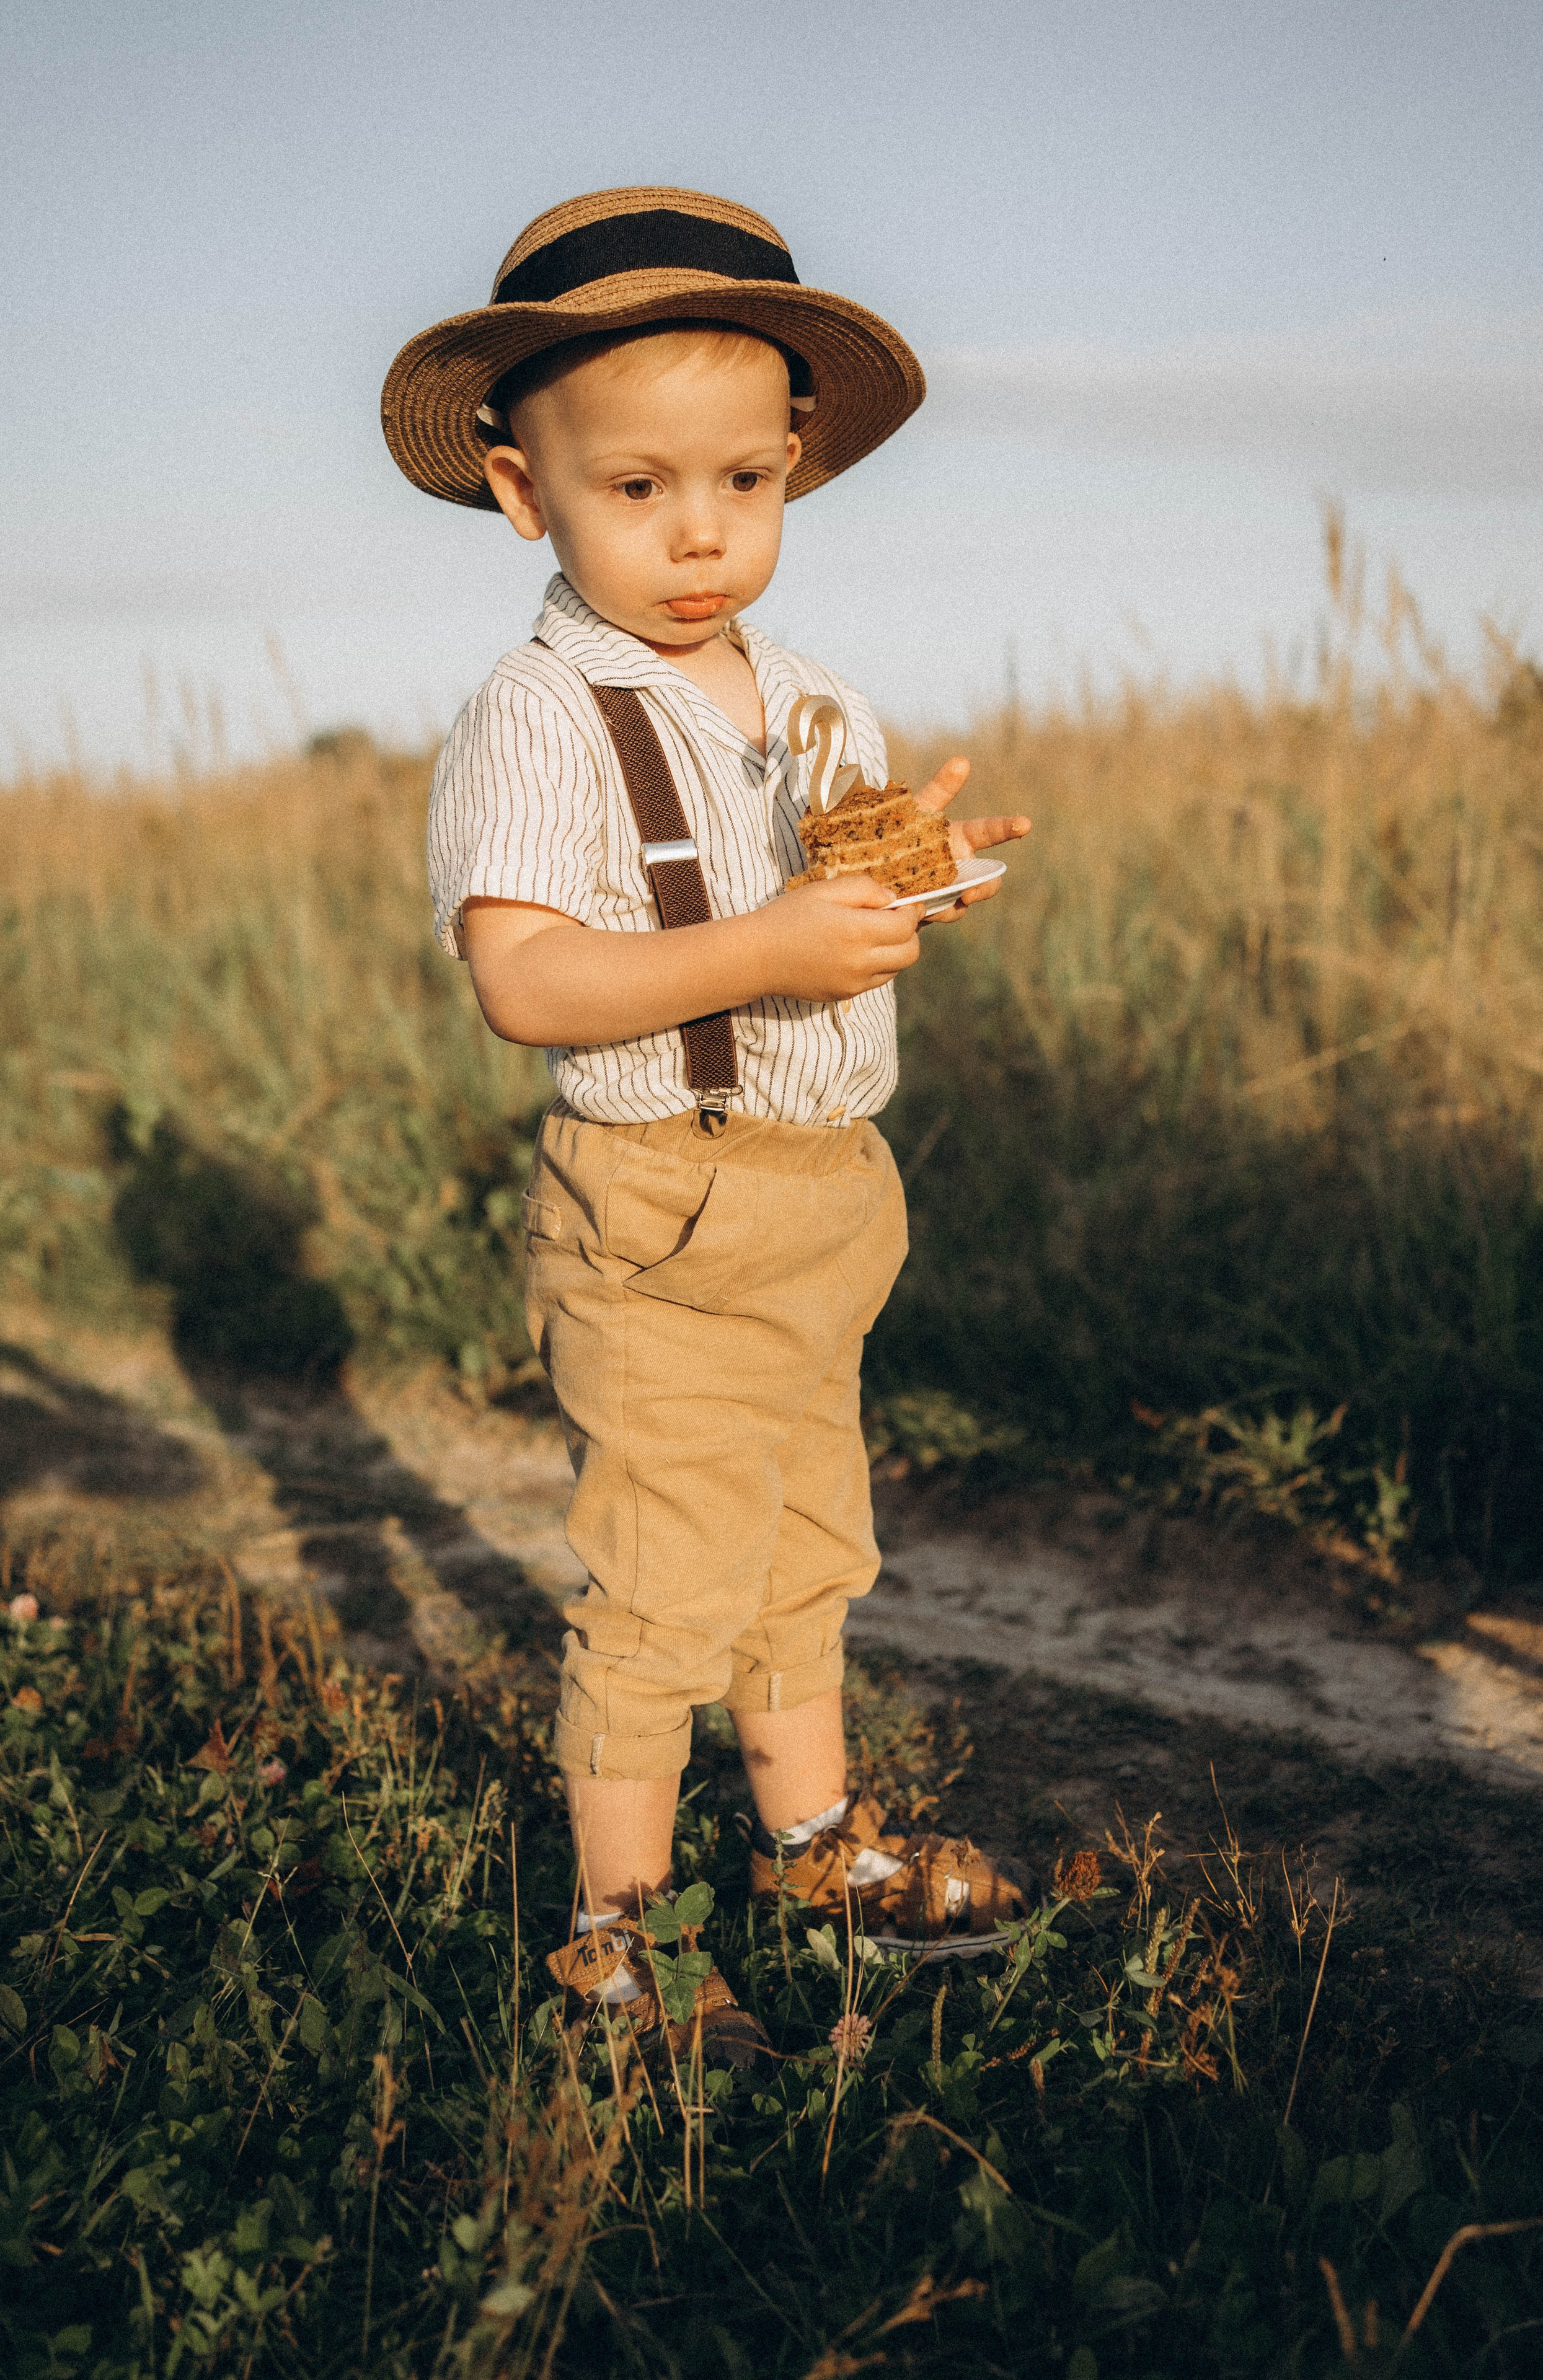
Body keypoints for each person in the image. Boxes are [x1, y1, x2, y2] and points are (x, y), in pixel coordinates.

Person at [383, 188, 1033, 2064]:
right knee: (667, 1575)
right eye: (639, 488)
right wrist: (760, 943)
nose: (698, 534)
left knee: (806, 1546)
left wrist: (913, 887)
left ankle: (816, 1846)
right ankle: (618, 1939)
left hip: (830, 1198)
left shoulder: (817, 698)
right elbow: (527, 981)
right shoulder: (538, 713)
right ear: (526, 492)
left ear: (796, 467)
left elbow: (830, 917)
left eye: (741, 483)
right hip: (659, 1205)